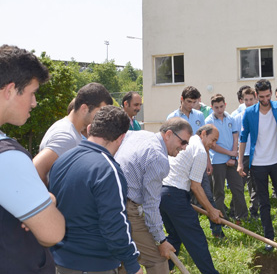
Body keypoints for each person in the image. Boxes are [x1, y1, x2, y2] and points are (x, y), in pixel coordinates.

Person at [48, 106, 141, 274]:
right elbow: (115, 224)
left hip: (59, 261)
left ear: (90, 128)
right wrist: (132, 263)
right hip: (94, 264)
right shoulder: (108, 170)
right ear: (121, 138)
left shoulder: (62, 160)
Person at [0, 45, 64, 273]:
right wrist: (49, 200)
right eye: (32, 92)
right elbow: (53, 232)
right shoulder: (7, 156)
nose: (35, 102)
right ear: (10, 90)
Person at [115, 117, 191, 274]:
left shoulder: (138, 134)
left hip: (110, 203)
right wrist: (161, 240)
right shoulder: (158, 158)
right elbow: (151, 205)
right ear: (168, 134)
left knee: (124, 260)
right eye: (183, 142)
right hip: (126, 209)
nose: (184, 148)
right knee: (157, 260)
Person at [237, 79, 277, 250]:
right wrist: (240, 163)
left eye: (267, 95)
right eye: (261, 96)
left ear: (271, 93)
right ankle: (269, 238)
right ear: (256, 95)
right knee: (264, 202)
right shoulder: (249, 113)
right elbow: (243, 138)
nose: (265, 99)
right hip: (258, 164)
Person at [160, 124, 222, 274]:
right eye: (212, 140)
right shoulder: (200, 151)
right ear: (204, 134)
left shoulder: (189, 142)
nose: (213, 145)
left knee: (174, 236)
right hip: (174, 195)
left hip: (162, 193)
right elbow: (196, 187)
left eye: (216, 142)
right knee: (197, 240)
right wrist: (211, 210)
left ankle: (163, 270)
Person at [34, 82, 113, 184]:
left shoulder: (71, 130)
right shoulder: (66, 136)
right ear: (84, 108)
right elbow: (36, 168)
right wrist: (48, 198)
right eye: (100, 112)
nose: (102, 118)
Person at [205, 94, 248, 222]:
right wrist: (230, 153)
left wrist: (233, 155)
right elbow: (212, 145)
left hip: (232, 159)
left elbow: (236, 137)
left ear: (225, 105)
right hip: (218, 160)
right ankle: (221, 218)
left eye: (221, 106)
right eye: (216, 107)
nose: (219, 109)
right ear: (212, 107)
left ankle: (242, 216)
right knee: (219, 192)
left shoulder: (231, 118)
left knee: (238, 188)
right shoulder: (208, 121)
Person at [232, 87, 260, 219]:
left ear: (255, 99)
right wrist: (236, 155)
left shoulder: (261, 115)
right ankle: (234, 210)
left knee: (256, 185)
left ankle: (254, 210)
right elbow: (235, 138)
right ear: (242, 101)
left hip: (258, 154)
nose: (248, 102)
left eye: (251, 99)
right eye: (246, 100)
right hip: (243, 156)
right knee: (239, 185)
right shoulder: (237, 118)